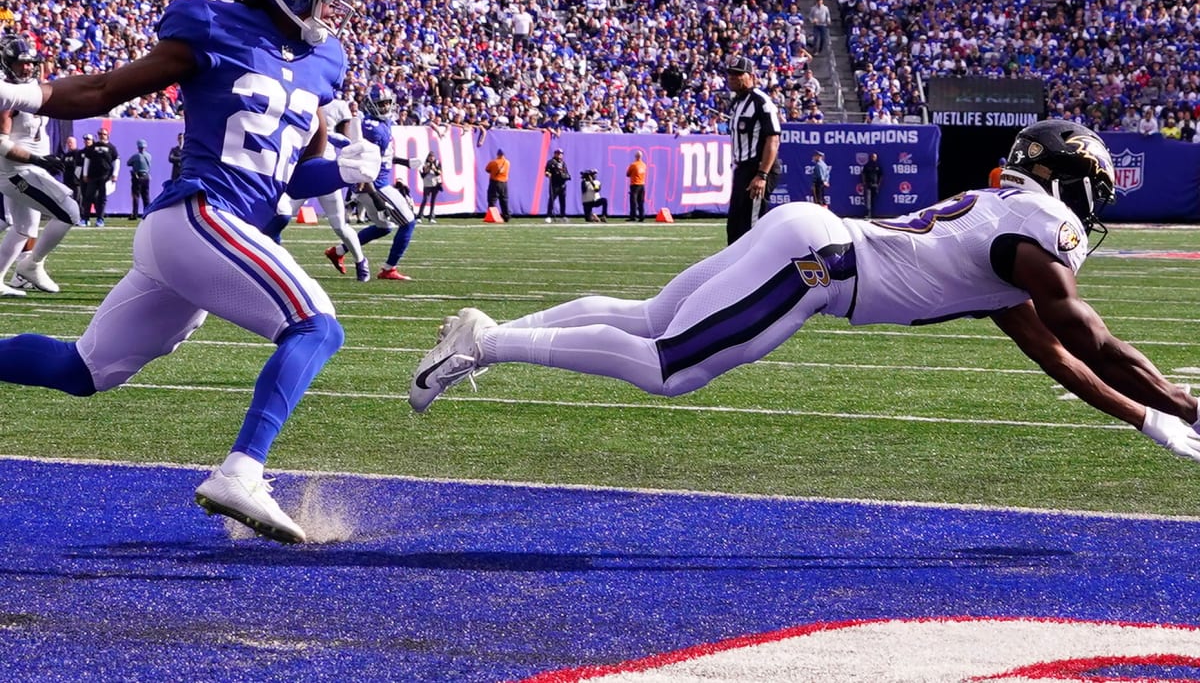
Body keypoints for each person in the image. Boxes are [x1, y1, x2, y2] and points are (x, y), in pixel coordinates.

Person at [409, 121, 1200, 476]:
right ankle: (486, 341)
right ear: (1062, 178)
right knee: (668, 367)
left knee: (653, 318)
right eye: (1090, 184)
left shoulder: (998, 220)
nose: (1094, 204)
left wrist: (1147, 415)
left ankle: (490, 332)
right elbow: (1086, 339)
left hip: (812, 231)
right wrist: (1179, 405)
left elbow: (1055, 355)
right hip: (823, 264)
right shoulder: (1039, 229)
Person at [0, 0, 381, 544]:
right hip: (201, 214)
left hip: (211, 235)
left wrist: (343, 169)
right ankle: (243, 470)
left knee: (83, 371)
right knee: (317, 326)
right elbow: (103, 94)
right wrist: (22, 95)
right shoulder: (211, 23)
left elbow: (294, 178)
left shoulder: (326, 62)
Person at [0, 36, 79, 297]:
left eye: (30, 63)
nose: (27, 68)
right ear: (7, 62)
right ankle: (32, 264)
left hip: (28, 169)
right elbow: (2, 145)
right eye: (21, 63)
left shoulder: (31, 88)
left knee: (24, 228)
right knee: (70, 212)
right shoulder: (7, 95)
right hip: (16, 171)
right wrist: (38, 160)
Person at [325, 87, 418, 281]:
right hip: (373, 184)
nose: (385, 107)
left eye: (386, 103)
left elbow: (382, 158)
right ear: (371, 105)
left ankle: (339, 251)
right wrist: (376, 198)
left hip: (375, 183)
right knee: (408, 222)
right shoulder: (373, 129)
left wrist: (405, 163)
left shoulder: (381, 124)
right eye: (380, 104)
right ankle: (389, 269)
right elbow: (365, 162)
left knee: (384, 227)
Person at [724, 56, 781, 244]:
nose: (732, 77)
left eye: (738, 74)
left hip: (757, 168)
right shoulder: (737, 103)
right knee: (734, 226)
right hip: (742, 168)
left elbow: (773, 138)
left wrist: (762, 174)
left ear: (750, 76)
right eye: (730, 73)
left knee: (751, 228)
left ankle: (756, 271)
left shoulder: (761, 102)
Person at [319, 95, 370, 282]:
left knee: (339, 224)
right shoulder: (299, 92)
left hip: (323, 168)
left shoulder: (338, 105)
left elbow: (348, 138)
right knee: (281, 214)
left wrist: (329, 136)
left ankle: (361, 261)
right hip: (299, 166)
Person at [81, 127, 119, 226]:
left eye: (104, 134)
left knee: (102, 199)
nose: (102, 135)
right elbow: (87, 161)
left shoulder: (112, 148)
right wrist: (85, 174)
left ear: (107, 135)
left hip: (105, 177)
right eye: (100, 134)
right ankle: (85, 219)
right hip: (92, 176)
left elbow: (116, 161)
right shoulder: (92, 147)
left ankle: (100, 219)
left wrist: (115, 174)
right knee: (88, 197)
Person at [126, 138, 152, 220]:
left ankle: (135, 214)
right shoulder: (148, 156)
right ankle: (147, 213)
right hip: (146, 176)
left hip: (137, 177)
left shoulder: (136, 156)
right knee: (146, 196)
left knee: (136, 196)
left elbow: (128, 163)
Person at [544, 147, 571, 222]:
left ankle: (563, 215)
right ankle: (549, 216)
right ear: (555, 154)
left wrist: (566, 176)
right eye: (558, 153)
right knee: (552, 200)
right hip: (554, 184)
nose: (559, 155)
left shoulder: (563, 163)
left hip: (562, 184)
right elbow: (546, 171)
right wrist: (548, 174)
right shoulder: (551, 162)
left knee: (562, 201)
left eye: (561, 154)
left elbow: (566, 172)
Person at [485, 148, 511, 221]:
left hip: (495, 182)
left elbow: (487, 169)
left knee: (492, 199)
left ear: (497, 154)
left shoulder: (493, 162)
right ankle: (506, 216)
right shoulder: (507, 162)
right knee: (504, 200)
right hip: (504, 183)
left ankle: (492, 216)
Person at [417, 151, 443, 223]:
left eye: (432, 157)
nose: (431, 158)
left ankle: (431, 217)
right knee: (425, 200)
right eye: (430, 157)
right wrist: (427, 168)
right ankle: (420, 216)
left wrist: (434, 168)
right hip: (427, 184)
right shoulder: (424, 163)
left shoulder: (437, 163)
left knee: (433, 201)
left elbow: (439, 173)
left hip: (435, 184)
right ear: (428, 157)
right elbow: (422, 174)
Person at [625, 150, 646, 222]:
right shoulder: (644, 165)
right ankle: (641, 216)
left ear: (636, 156)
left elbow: (627, 174)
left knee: (633, 201)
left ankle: (633, 216)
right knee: (641, 201)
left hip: (635, 184)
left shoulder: (633, 165)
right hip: (642, 184)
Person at [861, 152, 883, 218]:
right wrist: (864, 182)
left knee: (873, 200)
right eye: (872, 157)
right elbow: (863, 174)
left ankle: (872, 214)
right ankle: (867, 214)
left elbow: (881, 176)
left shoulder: (878, 166)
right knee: (868, 200)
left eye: (875, 157)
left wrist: (878, 184)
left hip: (875, 185)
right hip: (868, 185)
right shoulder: (867, 165)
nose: (873, 158)